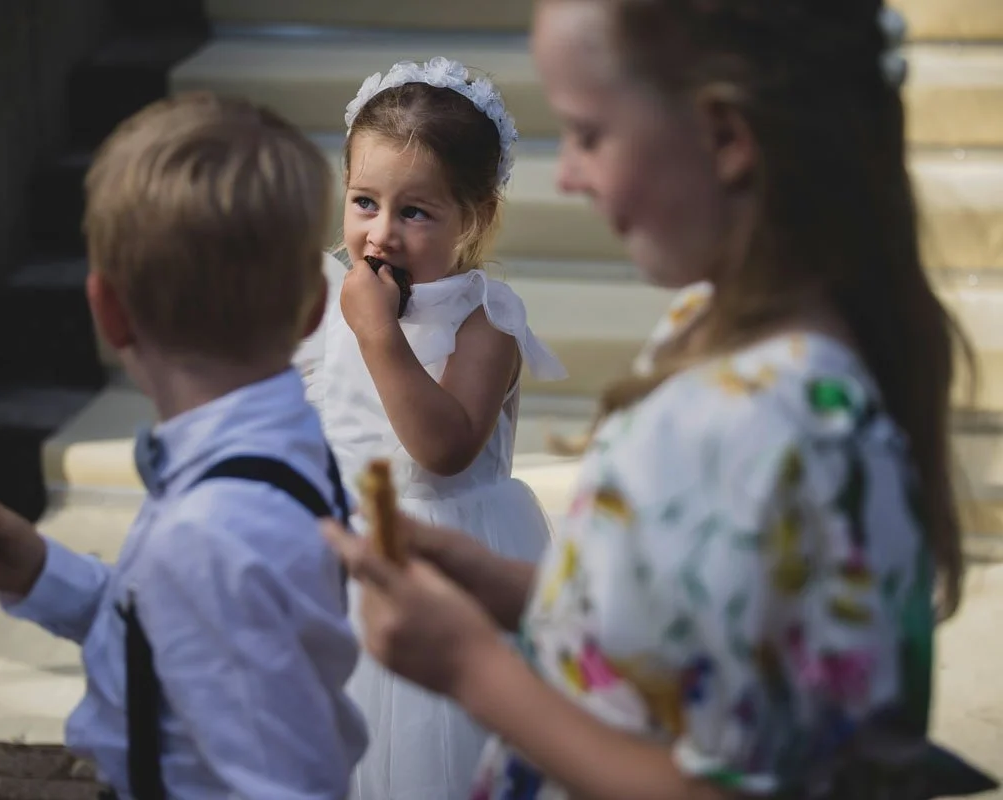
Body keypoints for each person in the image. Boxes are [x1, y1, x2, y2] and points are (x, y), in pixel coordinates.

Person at [322, 2, 999, 798]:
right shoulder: (706, 334)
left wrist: (472, 669)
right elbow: (695, 639)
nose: (567, 174)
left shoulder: (769, 421)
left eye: (589, 132)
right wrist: (520, 592)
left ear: (723, 137)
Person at [0, 92, 367, 800]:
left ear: (107, 310)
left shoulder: (210, 532)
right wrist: (44, 573)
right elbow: (162, 634)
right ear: (315, 306)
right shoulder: (270, 455)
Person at [294, 56, 567, 800]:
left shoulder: (487, 322)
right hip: (341, 565)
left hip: (450, 577)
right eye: (363, 202)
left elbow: (444, 450)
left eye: (415, 211)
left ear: (473, 216)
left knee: (427, 763)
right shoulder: (326, 293)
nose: (379, 234)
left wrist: (379, 337)